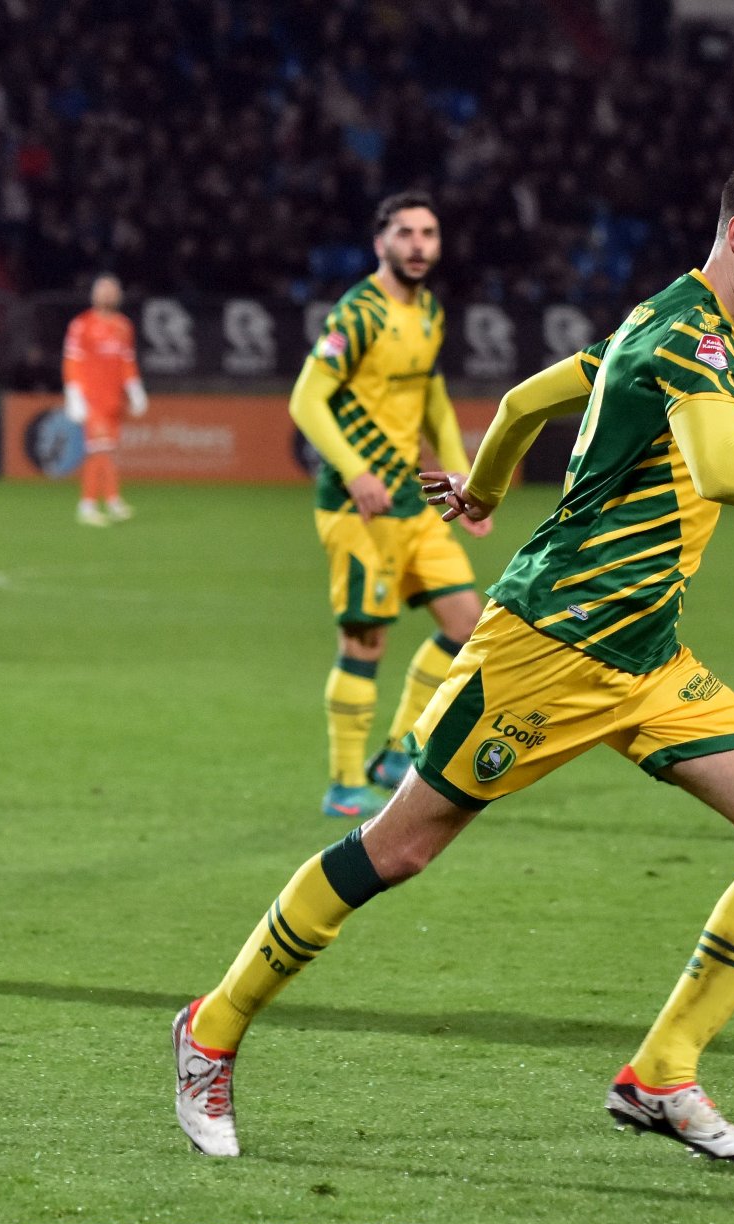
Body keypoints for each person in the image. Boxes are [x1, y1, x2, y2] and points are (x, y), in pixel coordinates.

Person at [173, 145, 734, 1161]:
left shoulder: (672, 323)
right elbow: (719, 466)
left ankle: (662, 1074)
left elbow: (522, 403)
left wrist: (489, 488)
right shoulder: (691, 337)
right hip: (545, 646)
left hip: (645, 657)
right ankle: (212, 1028)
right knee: (396, 848)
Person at [288, 192, 492, 820]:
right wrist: (353, 473)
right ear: (380, 243)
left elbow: (432, 394)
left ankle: (399, 752)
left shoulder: (429, 312)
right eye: (405, 234)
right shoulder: (360, 314)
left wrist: (463, 474)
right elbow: (306, 400)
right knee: (365, 639)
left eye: (428, 233)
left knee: (470, 626)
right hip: (359, 509)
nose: (418, 245)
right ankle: (345, 781)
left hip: (410, 499)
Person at [62, 273, 147, 526]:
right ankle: (87, 505)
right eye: (103, 290)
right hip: (92, 398)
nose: (108, 294)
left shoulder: (124, 326)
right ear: (94, 294)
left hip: (114, 400)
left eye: (112, 290)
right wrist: (74, 394)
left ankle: (112, 501)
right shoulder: (81, 325)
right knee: (99, 451)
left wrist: (135, 389)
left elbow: (127, 362)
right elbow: (72, 361)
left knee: (107, 451)